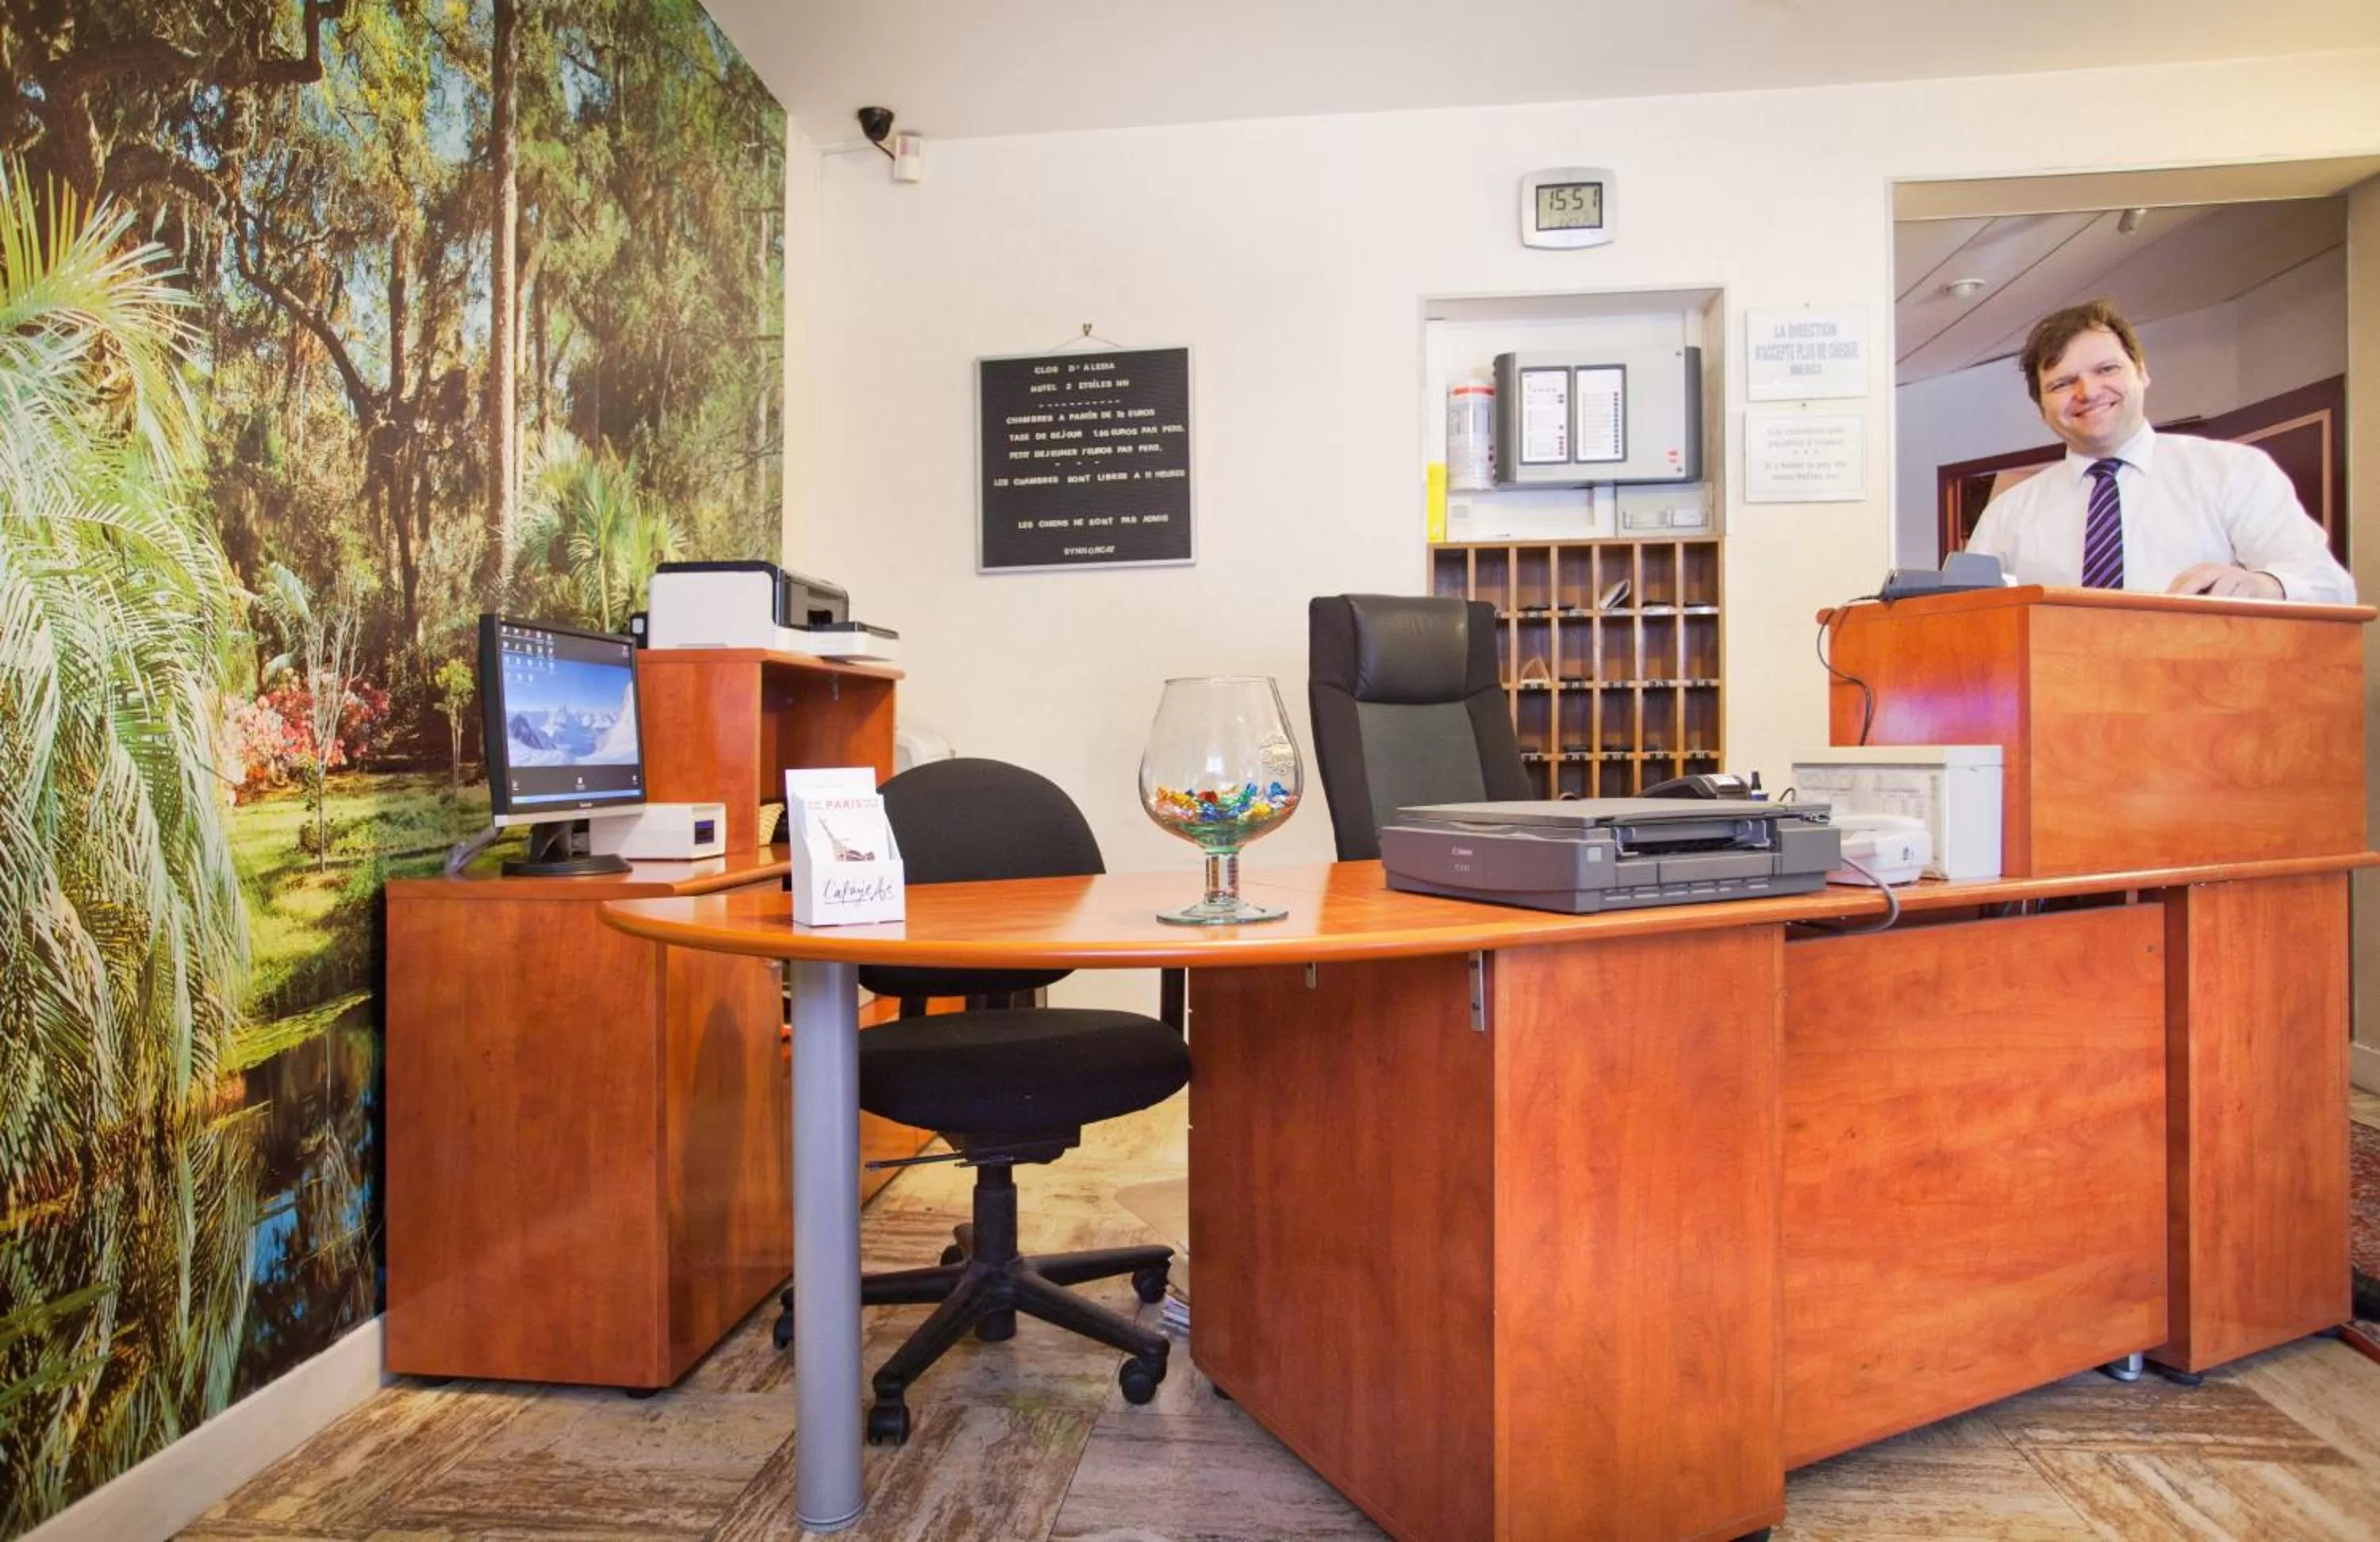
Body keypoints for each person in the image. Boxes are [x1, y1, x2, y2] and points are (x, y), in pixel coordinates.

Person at [1964, 301, 2354, 602]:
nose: (2089, 391)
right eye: (2063, 383)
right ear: (2041, 409)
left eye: (2106, 369)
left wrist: (2264, 585)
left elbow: (2331, 588)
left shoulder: (2232, 471)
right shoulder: (2006, 514)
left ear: (2141, 372)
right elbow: (1965, 619)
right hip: (2055, 685)